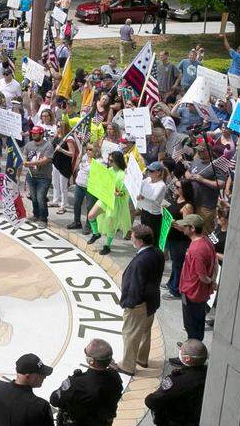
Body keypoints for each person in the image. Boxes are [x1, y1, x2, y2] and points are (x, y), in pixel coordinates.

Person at [117, 225, 165, 375]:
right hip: (152, 300)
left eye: (132, 236)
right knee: (145, 331)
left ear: (140, 241)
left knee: (130, 334)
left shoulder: (140, 261)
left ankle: (127, 366)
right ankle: (141, 358)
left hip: (139, 303)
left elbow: (135, 285)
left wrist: (129, 303)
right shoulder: (158, 252)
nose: (130, 237)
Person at [176, 214, 217, 341]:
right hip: (199, 294)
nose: (182, 227)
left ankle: (191, 354)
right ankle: (192, 347)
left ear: (192, 228)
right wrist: (213, 281)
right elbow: (215, 263)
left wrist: (210, 281)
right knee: (197, 323)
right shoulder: (206, 241)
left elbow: (202, 276)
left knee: (191, 326)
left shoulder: (196, 250)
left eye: (185, 226)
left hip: (192, 293)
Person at [86, 151, 129, 254]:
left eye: (111, 160)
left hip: (115, 202)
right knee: (91, 215)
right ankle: (96, 234)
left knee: (111, 226)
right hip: (105, 199)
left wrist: (119, 193)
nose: (109, 162)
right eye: (108, 160)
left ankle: (107, 246)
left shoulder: (123, 175)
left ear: (117, 161)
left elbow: (125, 193)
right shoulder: (108, 170)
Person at [23, 125, 54, 225]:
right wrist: (24, 160)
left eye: (35, 133)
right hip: (31, 176)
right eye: (32, 133)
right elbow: (24, 155)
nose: (33, 135)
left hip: (44, 177)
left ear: (41, 134)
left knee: (41, 198)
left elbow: (45, 161)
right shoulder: (28, 145)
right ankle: (36, 215)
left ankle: (43, 219)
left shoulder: (48, 146)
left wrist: (29, 163)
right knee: (34, 197)